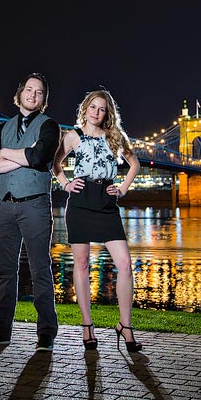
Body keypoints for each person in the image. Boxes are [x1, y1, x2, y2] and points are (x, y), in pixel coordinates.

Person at [0, 73, 61, 352]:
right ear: (20, 93)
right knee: (5, 271)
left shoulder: (50, 127)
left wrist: (4, 154)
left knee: (40, 270)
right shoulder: (2, 127)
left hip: (34, 205)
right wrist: (18, 153)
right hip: (4, 206)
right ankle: (1, 330)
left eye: (39, 92)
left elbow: (38, 158)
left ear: (44, 99)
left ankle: (46, 333)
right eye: (29, 90)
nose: (33, 95)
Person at [53, 89, 143, 352]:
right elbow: (55, 164)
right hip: (80, 203)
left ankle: (125, 325)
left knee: (125, 264)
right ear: (85, 108)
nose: (96, 112)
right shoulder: (73, 136)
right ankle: (87, 325)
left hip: (106, 203)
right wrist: (66, 184)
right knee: (81, 264)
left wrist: (123, 188)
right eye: (93, 107)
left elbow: (134, 164)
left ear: (107, 113)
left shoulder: (115, 137)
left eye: (102, 109)